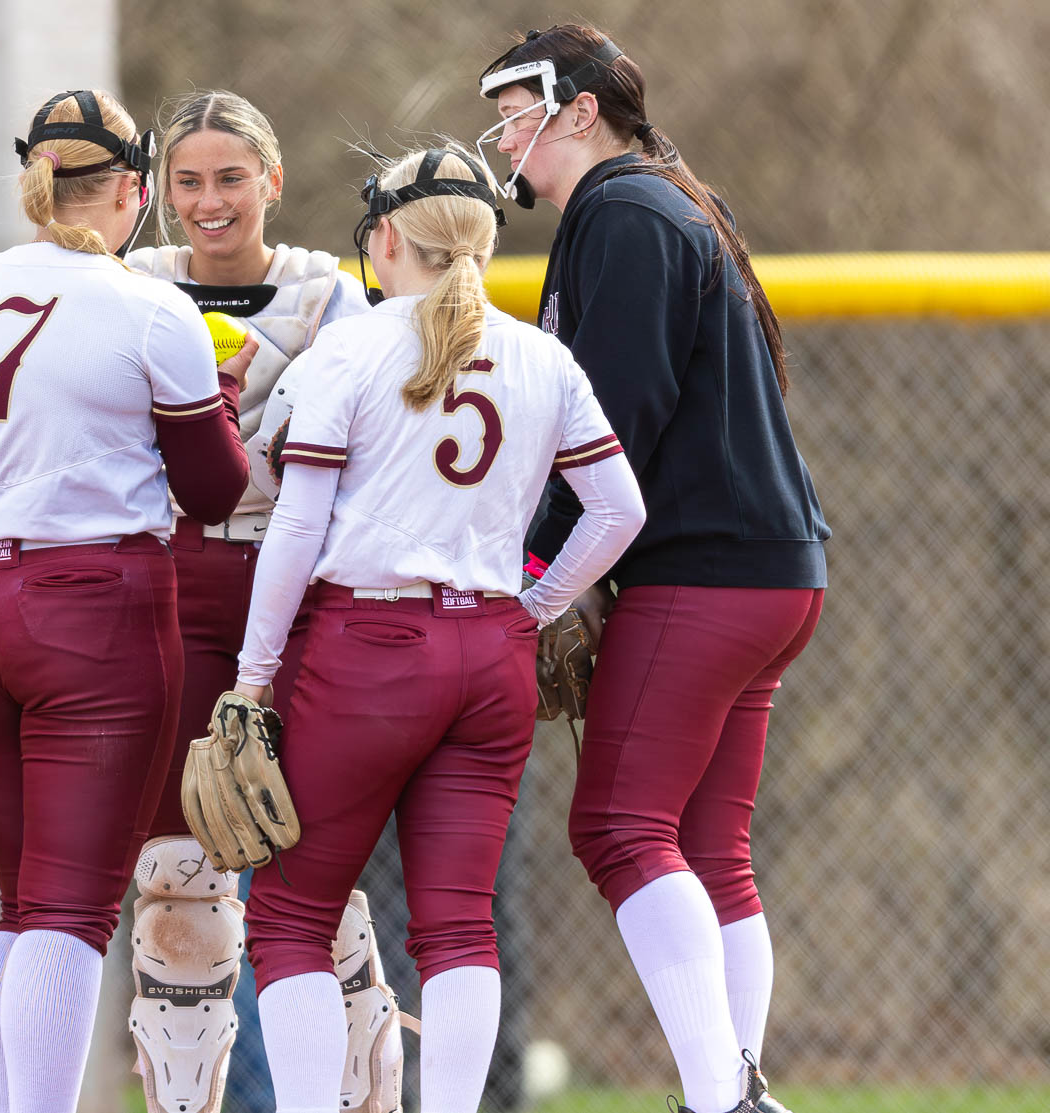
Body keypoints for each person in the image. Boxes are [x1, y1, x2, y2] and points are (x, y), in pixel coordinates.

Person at [234, 145, 645, 1113]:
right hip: (489, 651)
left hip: (368, 652)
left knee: (293, 915)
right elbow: (619, 511)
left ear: (385, 239)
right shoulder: (543, 356)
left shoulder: (355, 346)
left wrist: (253, 675)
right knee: (459, 925)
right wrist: (531, 610)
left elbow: (296, 525)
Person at [477, 24, 830, 1113]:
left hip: (705, 573)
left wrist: (523, 561)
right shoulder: (659, 199)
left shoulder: (621, 211)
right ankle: (734, 1091)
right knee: (708, 843)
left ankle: (720, 1098)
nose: (505, 133)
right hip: (774, 570)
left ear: (582, 109)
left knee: (619, 827)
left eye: (518, 107)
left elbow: (609, 424)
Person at [0, 89, 252, 1113]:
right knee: (71, 910)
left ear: (33, 182)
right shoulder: (150, 306)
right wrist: (222, 397)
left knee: (23, 908)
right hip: (97, 606)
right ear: (136, 190)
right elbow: (217, 491)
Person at [122, 91, 381, 1113]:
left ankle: (362, 1092)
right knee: (177, 869)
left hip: (297, 582)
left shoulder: (327, 295)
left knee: (312, 869)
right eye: (188, 181)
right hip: (174, 579)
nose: (210, 200)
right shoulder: (132, 285)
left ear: (272, 179)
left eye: (231, 177)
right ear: (160, 191)